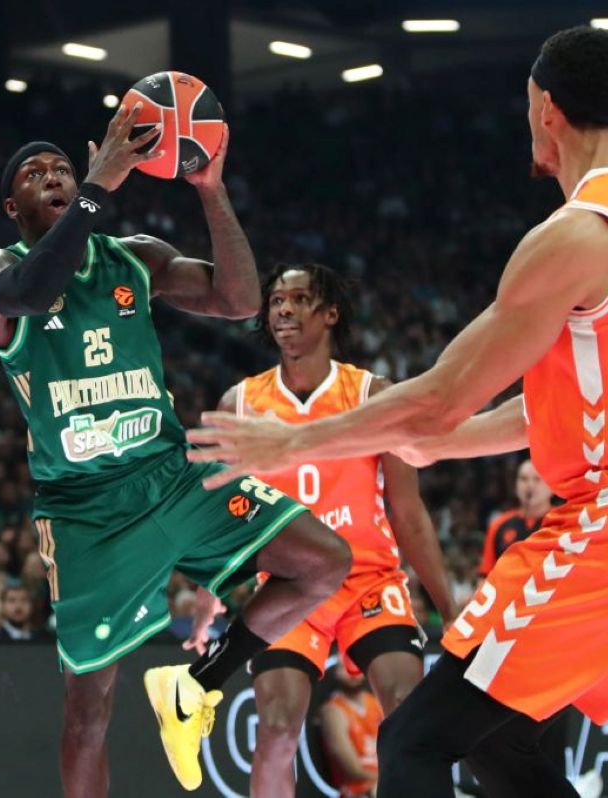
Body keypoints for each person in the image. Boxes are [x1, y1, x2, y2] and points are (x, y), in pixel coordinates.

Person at [187, 26, 608, 797]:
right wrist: (440, 447)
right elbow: (560, 408)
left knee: (414, 738)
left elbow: (441, 396)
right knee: (500, 741)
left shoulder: (576, 233)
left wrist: (292, 442)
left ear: (545, 109)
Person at [0, 103, 351, 794]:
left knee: (324, 562)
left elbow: (239, 300)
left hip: (172, 476)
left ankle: (197, 684)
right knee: (89, 711)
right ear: (11, 206)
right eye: (35, 173)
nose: (53, 176)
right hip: (87, 512)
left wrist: (211, 189)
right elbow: (31, 293)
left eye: (62, 168)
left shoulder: (134, 257)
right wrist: (95, 188)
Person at [189, 263, 452, 796]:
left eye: (299, 298)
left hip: (369, 581)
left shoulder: (373, 394)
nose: (283, 309)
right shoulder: (241, 403)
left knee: (407, 714)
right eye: (276, 301)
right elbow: (221, 514)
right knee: (277, 727)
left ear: (330, 313)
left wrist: (450, 609)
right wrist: (206, 593)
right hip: (291, 588)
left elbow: (407, 511)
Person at [479, 460, 551, 579]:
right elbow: (486, 576)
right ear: (515, 486)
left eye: (537, 479)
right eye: (524, 479)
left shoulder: (565, 521)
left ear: (552, 486)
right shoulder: (499, 525)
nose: (530, 485)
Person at [321, 662, 385, 798]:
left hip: (384, 779)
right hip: (357, 789)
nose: (351, 672)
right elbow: (352, 770)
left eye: (355, 664)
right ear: (335, 672)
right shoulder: (333, 711)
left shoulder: (376, 703)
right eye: (344, 666)